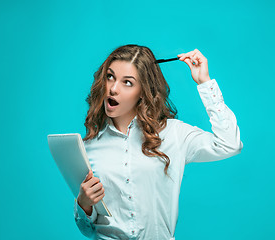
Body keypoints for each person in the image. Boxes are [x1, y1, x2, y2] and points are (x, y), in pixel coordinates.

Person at [73, 44, 243, 239]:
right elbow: (87, 230)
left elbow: (230, 144)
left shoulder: (173, 134)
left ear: (143, 91)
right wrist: (83, 204)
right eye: (110, 77)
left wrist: (204, 83)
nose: (113, 88)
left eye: (127, 82)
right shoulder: (89, 148)